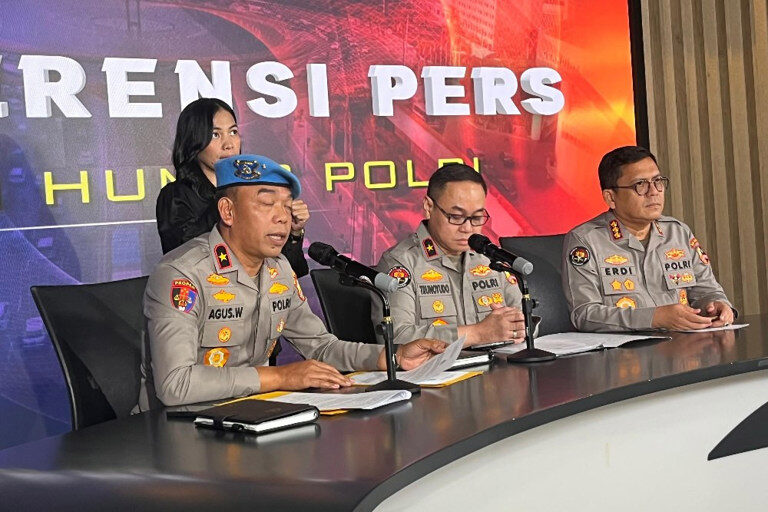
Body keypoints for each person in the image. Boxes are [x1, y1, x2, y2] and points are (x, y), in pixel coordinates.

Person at [137, 154, 446, 409]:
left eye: (287, 206)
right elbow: (175, 384)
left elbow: (321, 346)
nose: (283, 218)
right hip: (178, 427)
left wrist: (390, 357)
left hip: (252, 414)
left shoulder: (280, 270)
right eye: (267, 204)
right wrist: (282, 377)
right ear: (228, 211)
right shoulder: (182, 273)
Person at [562, 145, 736, 332]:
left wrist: (717, 305)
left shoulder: (678, 232)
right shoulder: (586, 240)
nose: (654, 191)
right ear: (611, 198)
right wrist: (654, 318)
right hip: (627, 347)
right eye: (640, 185)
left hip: (684, 344)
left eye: (657, 181)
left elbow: (707, 290)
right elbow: (585, 314)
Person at [374, 163, 528, 348]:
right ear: (428, 206)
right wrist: (478, 333)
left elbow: (526, 321)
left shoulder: (490, 260)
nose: (467, 228)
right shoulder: (400, 263)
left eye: (476, 218)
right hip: (440, 367)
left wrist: (518, 328)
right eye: (456, 216)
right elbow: (396, 338)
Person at [156, 97, 309, 277]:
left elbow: (291, 272)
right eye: (215, 135)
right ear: (194, 141)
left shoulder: (254, 192)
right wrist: (231, 199)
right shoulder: (174, 196)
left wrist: (295, 232)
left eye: (233, 132)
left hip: (258, 292)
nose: (228, 144)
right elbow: (186, 260)